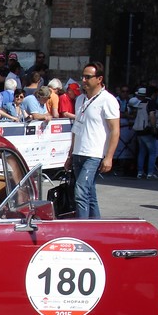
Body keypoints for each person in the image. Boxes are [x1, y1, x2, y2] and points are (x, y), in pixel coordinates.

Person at [64, 61, 120, 218]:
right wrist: (70, 153)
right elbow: (76, 128)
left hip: (94, 154)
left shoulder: (108, 100)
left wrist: (109, 157)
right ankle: (97, 225)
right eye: (83, 76)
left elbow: (115, 130)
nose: (84, 80)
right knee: (89, 193)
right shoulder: (80, 99)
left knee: (81, 191)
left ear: (99, 79)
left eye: (88, 77)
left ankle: (82, 226)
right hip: (78, 152)